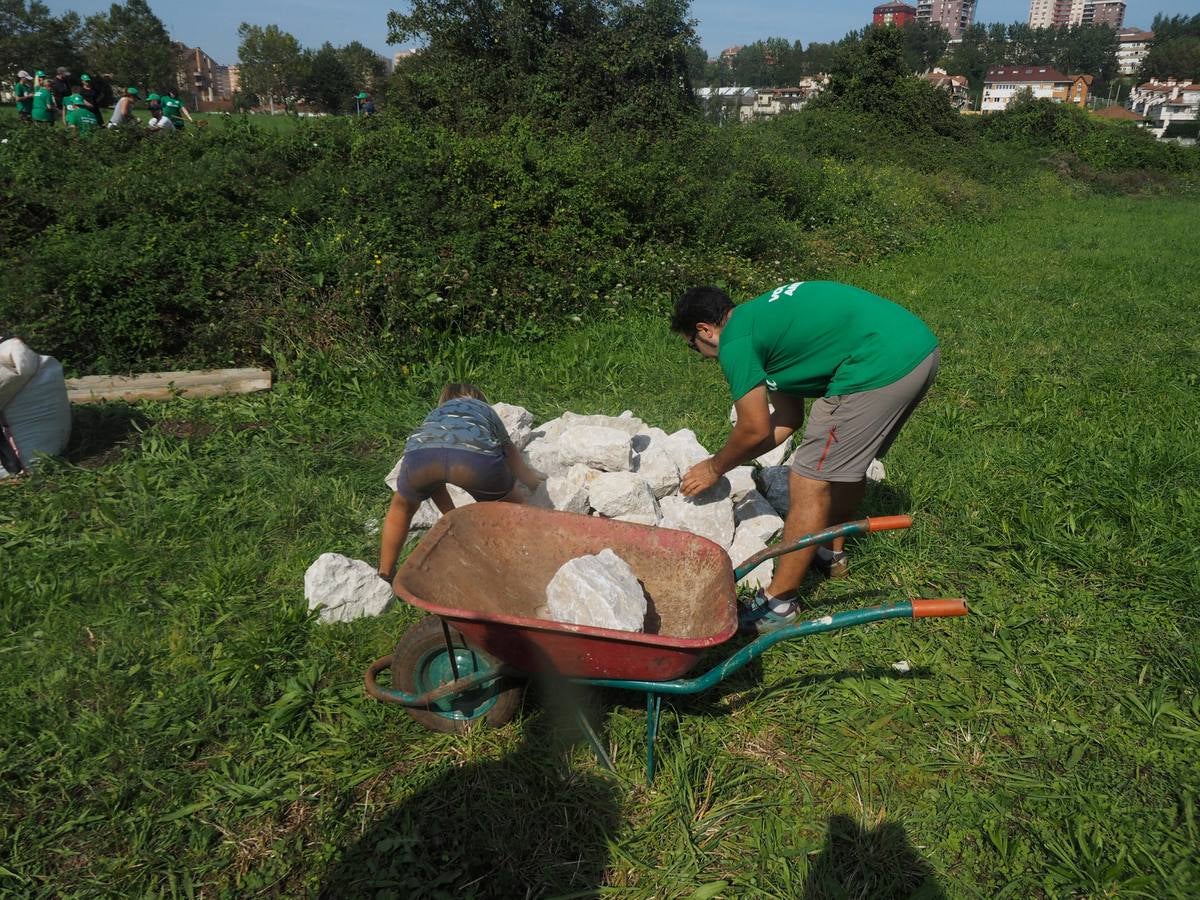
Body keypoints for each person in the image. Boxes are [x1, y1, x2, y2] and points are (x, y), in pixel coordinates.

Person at [671, 281, 939, 632]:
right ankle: (831, 554)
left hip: (877, 364)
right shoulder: (764, 323)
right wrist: (735, 458)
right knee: (842, 463)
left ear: (704, 331)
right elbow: (785, 421)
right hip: (917, 350)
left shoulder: (735, 340)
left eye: (694, 348)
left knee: (808, 478)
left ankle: (779, 603)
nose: (701, 355)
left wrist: (714, 466)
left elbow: (752, 428)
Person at [377, 383, 543, 583]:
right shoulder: (485, 411)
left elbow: (436, 484)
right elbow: (510, 454)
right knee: (511, 507)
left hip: (421, 457)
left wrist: (451, 516)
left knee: (401, 508)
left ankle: (385, 571)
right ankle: (525, 560)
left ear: (444, 401)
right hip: (473, 461)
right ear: (479, 399)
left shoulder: (436, 415)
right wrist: (532, 483)